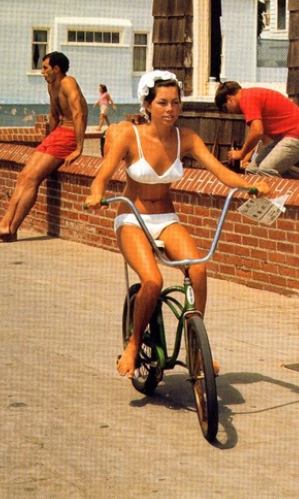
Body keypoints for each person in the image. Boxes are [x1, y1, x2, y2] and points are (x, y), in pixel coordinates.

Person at [85, 70, 271, 379]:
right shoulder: (130, 136)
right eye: (162, 103)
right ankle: (133, 344)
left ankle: (197, 345)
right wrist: (96, 195)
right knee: (153, 281)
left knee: (198, 269)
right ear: (147, 104)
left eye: (175, 102)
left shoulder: (187, 138)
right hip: (132, 218)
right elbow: (102, 176)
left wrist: (249, 187)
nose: (170, 109)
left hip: (166, 218)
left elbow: (220, 172)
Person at [0, 51, 88, 243]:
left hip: (69, 136)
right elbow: (54, 116)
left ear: (56, 68)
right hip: (58, 135)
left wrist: (79, 148)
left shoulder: (68, 82)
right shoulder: (52, 86)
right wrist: (47, 141)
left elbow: (78, 113)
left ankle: (9, 227)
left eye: (45, 68)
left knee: (32, 179)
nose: (42, 72)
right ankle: (7, 227)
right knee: (24, 176)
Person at [214, 81, 299, 176]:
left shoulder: (247, 100)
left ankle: (280, 195)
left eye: (226, 108)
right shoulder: (250, 96)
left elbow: (257, 132)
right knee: (252, 170)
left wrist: (241, 153)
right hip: (286, 137)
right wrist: (245, 157)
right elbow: (258, 136)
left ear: (229, 99)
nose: (230, 111)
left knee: (265, 170)